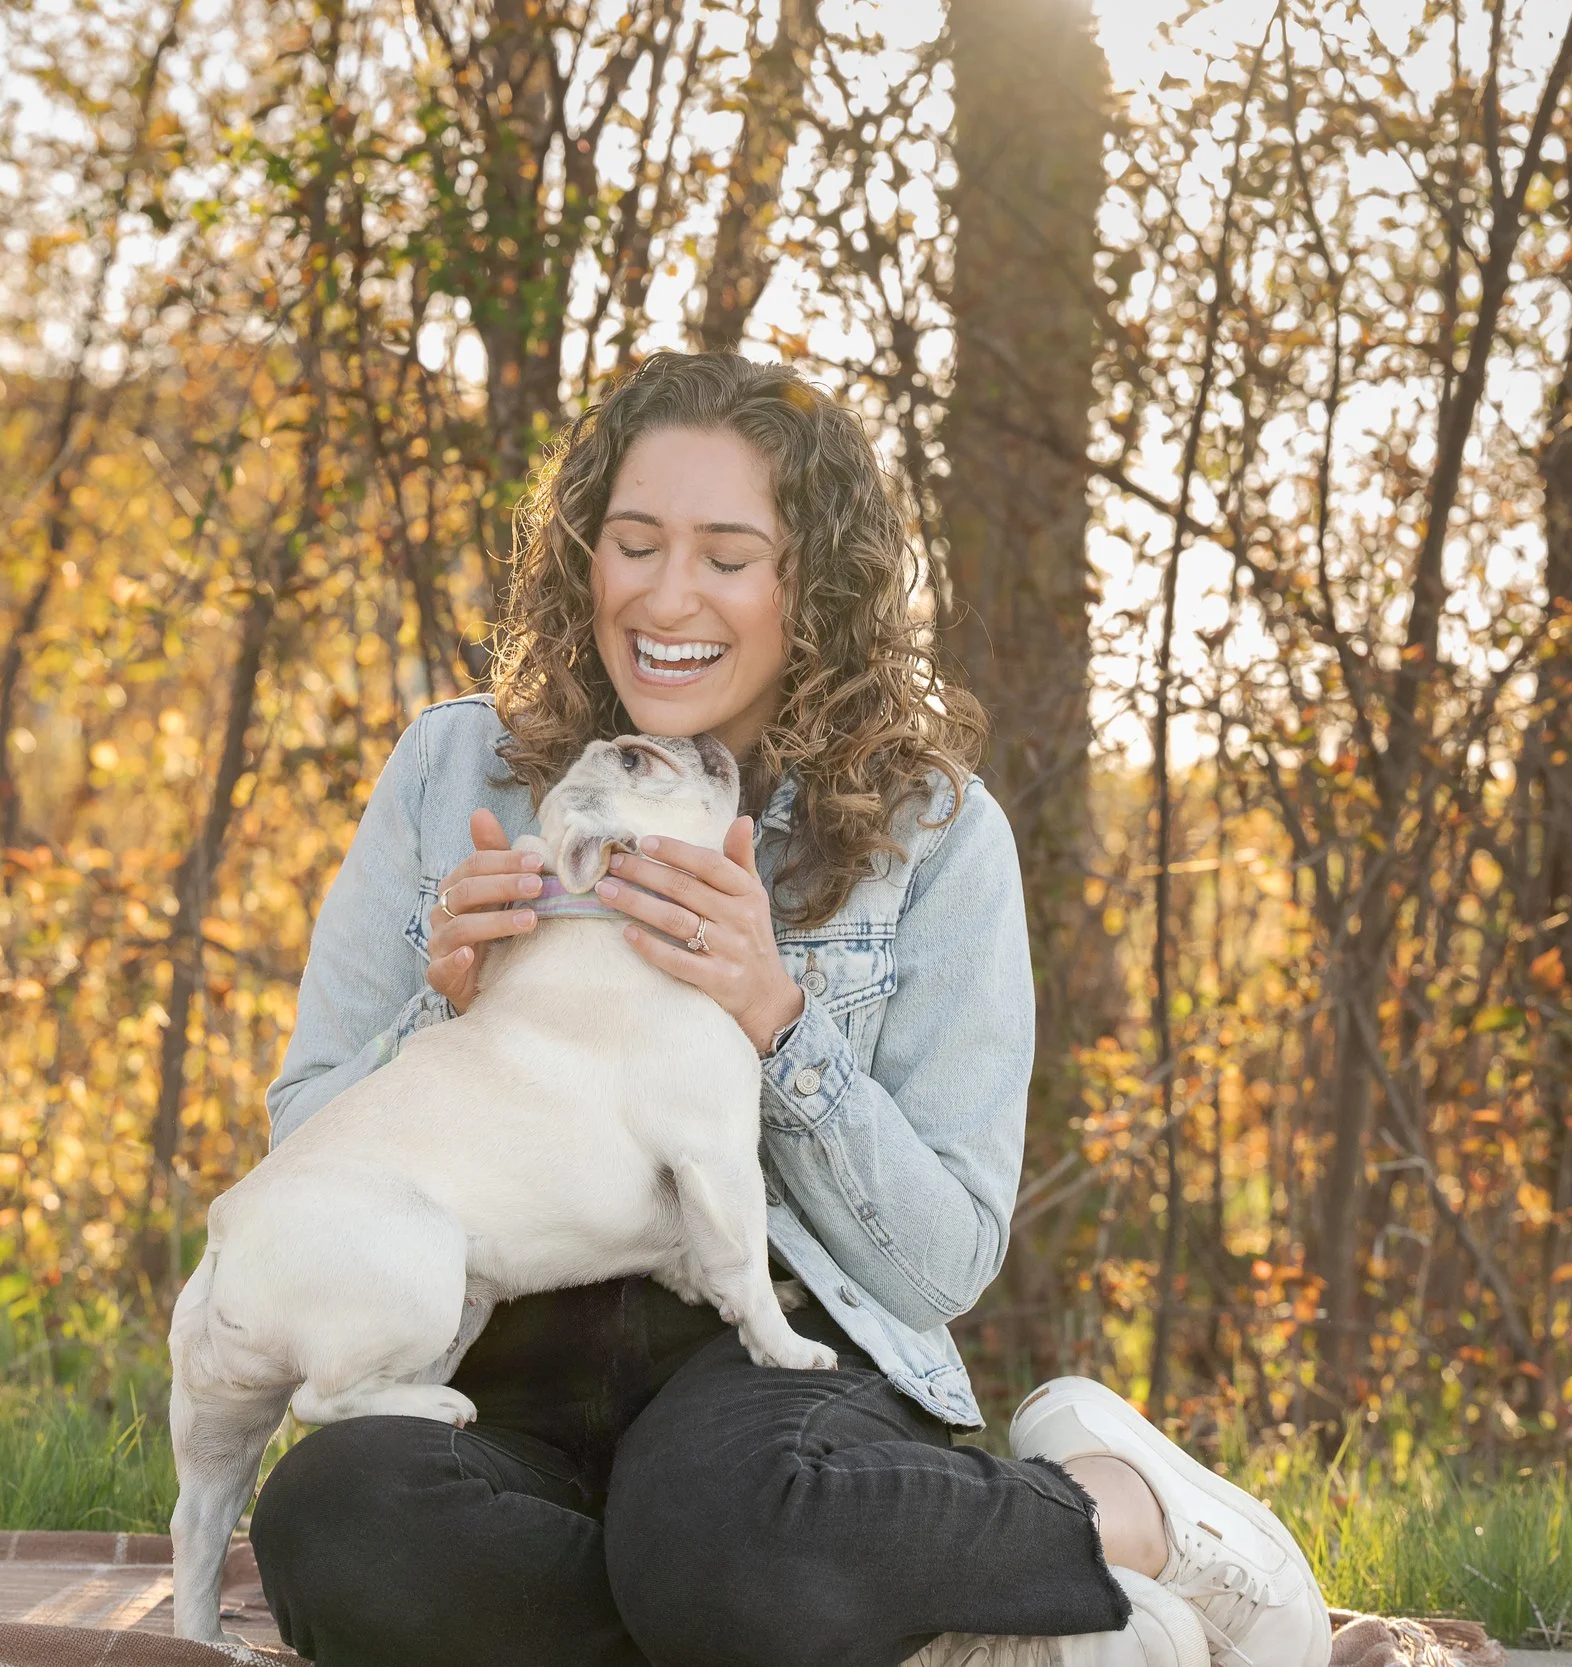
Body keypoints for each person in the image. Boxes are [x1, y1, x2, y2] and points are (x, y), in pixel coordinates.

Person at [247, 351, 1331, 1667]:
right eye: (634, 543)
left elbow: (942, 1260)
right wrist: (440, 1009)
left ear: (809, 587)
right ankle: (897, 1621)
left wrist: (776, 1015)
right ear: (583, 557)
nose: (667, 595)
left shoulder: (934, 835)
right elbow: (303, 1153)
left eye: (727, 554)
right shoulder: (451, 770)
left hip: (775, 1367)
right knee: (335, 1526)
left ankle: (1117, 1513)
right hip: (491, 1356)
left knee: (732, 1538)